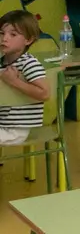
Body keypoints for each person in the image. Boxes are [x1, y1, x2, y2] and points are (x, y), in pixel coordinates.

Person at [0, 10, 49, 145]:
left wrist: (14, 81)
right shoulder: (2, 61)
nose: (4, 39)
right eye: (1, 33)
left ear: (28, 40)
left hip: (16, 129)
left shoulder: (29, 63)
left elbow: (44, 93)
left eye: (13, 34)